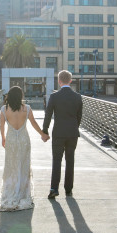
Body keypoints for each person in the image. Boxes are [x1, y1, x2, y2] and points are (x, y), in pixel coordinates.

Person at [0, 86, 47, 212]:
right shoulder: (27, 109)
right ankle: (23, 193)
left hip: (11, 139)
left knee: (11, 166)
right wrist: (42, 134)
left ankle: (10, 191)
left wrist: (3, 138)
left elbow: (1, 126)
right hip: (24, 139)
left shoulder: (4, 109)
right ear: (21, 96)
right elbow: (33, 124)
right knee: (23, 165)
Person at [42, 70, 83, 199]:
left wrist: (45, 130)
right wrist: (74, 128)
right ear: (70, 81)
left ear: (59, 81)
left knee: (56, 161)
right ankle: (68, 190)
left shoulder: (54, 97)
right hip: (72, 133)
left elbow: (48, 114)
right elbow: (79, 116)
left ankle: (54, 189)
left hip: (58, 133)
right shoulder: (77, 97)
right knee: (70, 161)